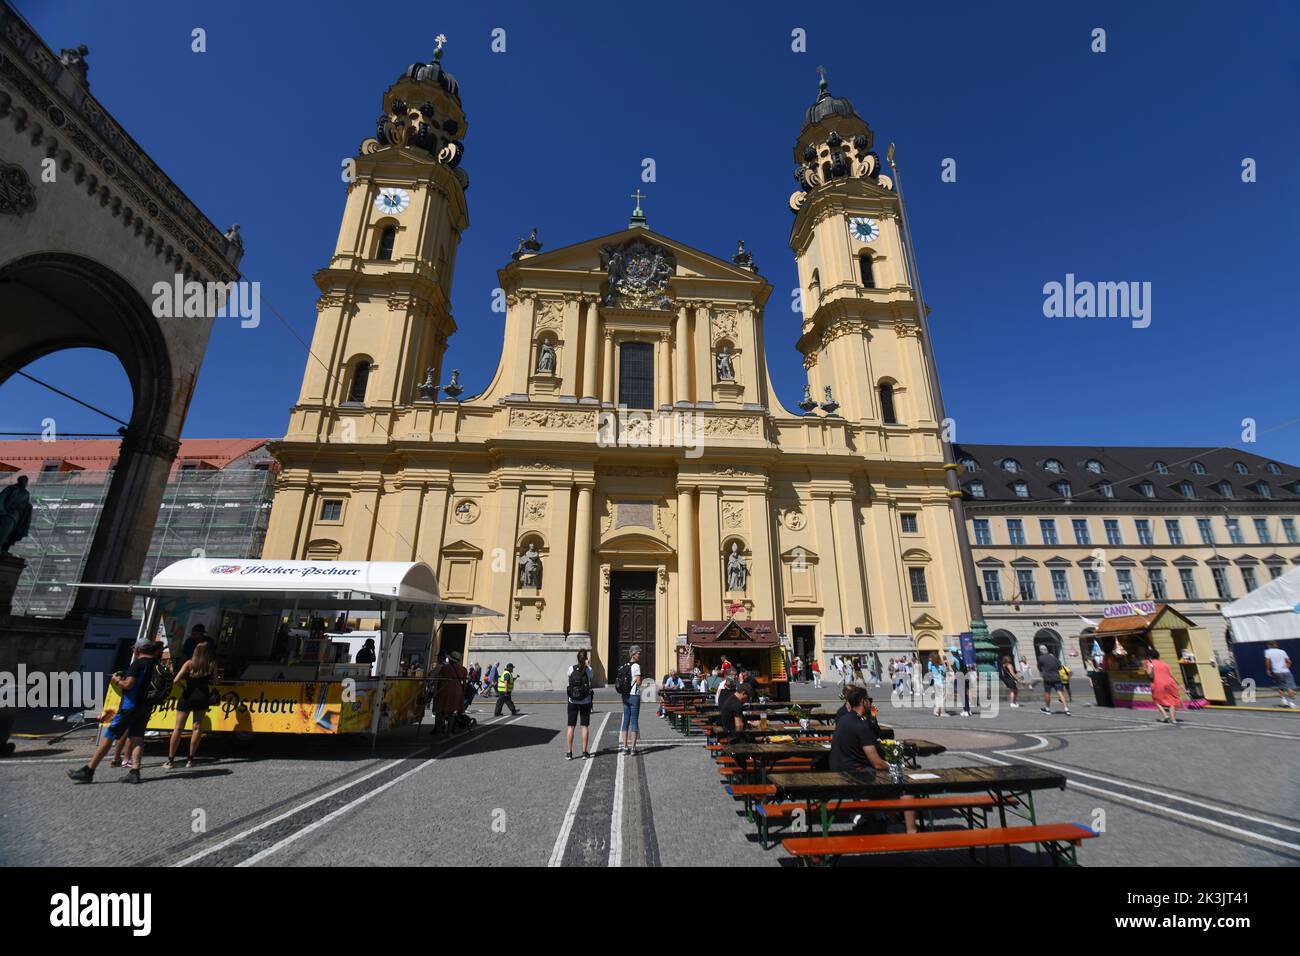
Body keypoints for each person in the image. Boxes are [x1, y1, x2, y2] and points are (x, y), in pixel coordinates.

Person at [68, 641, 165, 785]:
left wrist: (117, 680)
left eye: (134, 648)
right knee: (137, 737)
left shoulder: (138, 664)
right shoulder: (157, 664)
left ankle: (89, 770)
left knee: (109, 736)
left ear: (138, 649)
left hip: (129, 706)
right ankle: (135, 771)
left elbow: (128, 684)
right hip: (145, 706)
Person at [830, 688, 916, 833]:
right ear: (863, 701)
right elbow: (876, 762)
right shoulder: (861, 725)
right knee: (905, 785)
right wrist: (897, 768)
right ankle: (912, 832)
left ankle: (889, 821)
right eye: (869, 700)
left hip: (839, 771)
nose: (871, 702)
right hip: (855, 775)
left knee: (885, 782)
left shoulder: (844, 719)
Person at [165, 642, 218, 769]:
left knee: (178, 728)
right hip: (202, 696)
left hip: (187, 695)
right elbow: (216, 681)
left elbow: (176, 680)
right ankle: (190, 759)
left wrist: (184, 687)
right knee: (197, 728)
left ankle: (171, 760)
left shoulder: (189, 663)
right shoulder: (211, 664)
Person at [564, 650, 595, 760]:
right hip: (585, 701)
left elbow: (569, 680)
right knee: (584, 726)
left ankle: (569, 753)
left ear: (577, 658)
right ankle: (584, 752)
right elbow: (591, 679)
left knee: (571, 726)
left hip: (572, 701)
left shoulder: (571, 668)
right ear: (586, 658)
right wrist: (587, 665)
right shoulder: (589, 670)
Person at [617, 645, 643, 755]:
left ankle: (625, 747)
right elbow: (638, 682)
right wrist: (641, 678)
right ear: (633, 654)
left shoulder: (624, 666)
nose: (639, 655)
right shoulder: (636, 666)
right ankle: (633, 748)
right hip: (634, 696)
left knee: (625, 721)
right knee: (634, 721)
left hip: (625, 696)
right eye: (638, 653)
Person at [1145, 647, 1181, 724]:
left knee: (1157, 700)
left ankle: (1165, 716)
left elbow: (1149, 674)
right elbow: (1171, 675)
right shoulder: (1165, 664)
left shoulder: (1150, 663)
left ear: (1149, 656)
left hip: (1158, 683)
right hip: (1170, 683)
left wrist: (1150, 670)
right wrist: (1178, 684)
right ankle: (1173, 719)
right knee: (1172, 701)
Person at [1037, 645, 1070, 716]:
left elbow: (1039, 667)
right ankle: (1066, 708)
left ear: (1040, 651)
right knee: (1060, 693)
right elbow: (1060, 667)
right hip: (1057, 677)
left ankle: (1047, 709)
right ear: (1047, 650)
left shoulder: (1040, 658)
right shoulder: (1054, 658)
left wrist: (1043, 671)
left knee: (1047, 693)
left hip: (1047, 678)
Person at [1263, 641, 1296, 708]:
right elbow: (1289, 662)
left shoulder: (1268, 652)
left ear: (1269, 645)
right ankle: (1291, 703)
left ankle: (1284, 700)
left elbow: (1267, 661)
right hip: (1286, 671)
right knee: (1290, 687)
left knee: (1281, 687)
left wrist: (1268, 670)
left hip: (1277, 672)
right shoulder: (1282, 651)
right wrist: (1285, 667)